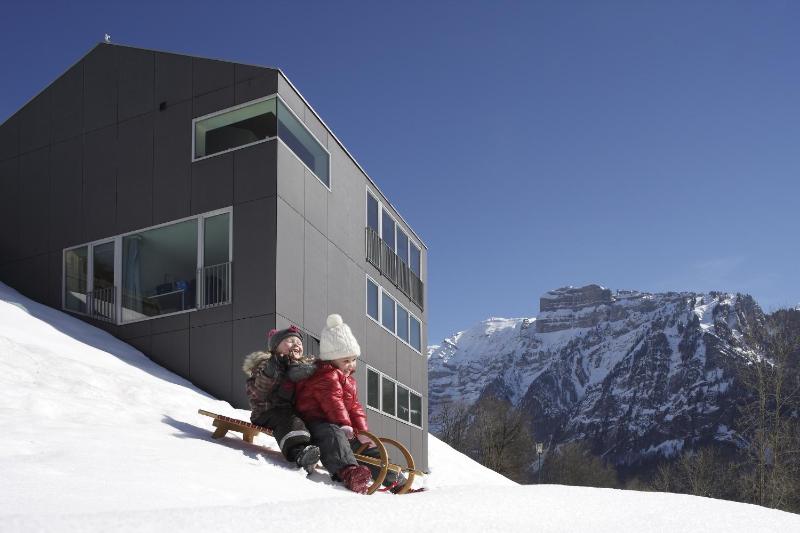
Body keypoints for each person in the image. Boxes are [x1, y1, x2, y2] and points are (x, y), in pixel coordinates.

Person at [295, 314, 406, 494]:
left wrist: (363, 432)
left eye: (353, 359)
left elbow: (355, 407)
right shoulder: (324, 375)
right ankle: (349, 472)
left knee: (366, 447)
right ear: (331, 359)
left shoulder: (349, 381)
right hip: (316, 423)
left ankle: (395, 479)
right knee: (334, 436)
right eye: (345, 360)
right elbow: (333, 402)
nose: (351, 364)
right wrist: (345, 424)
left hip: (339, 424)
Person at [242, 325, 320, 473]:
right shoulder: (267, 364)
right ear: (276, 347)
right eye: (290, 341)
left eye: (299, 343)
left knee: (311, 421)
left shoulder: (301, 366)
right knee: (288, 419)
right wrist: (272, 370)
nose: (296, 344)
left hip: (292, 411)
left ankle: (318, 451)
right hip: (266, 412)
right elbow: (260, 390)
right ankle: (299, 452)